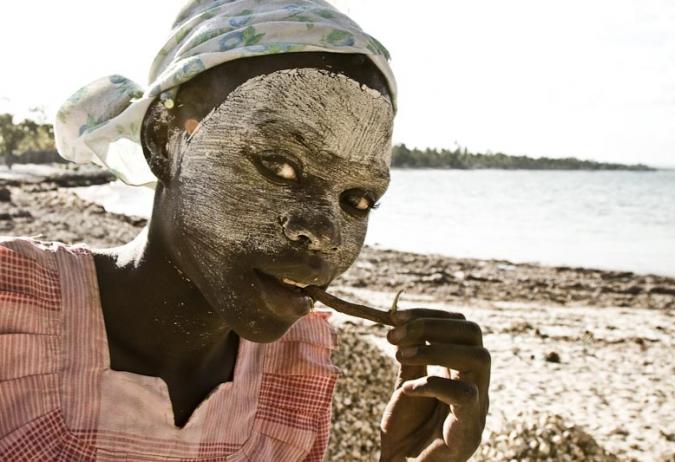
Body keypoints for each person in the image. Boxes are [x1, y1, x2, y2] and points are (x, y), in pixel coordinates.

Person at [0, 1, 490, 460]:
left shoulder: (294, 375)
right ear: (164, 141)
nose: (323, 233)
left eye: (357, 201)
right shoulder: (11, 311)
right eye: (278, 167)